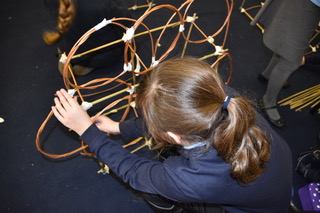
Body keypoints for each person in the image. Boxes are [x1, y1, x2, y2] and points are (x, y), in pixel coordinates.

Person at [51, 57, 293, 213]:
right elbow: (172, 121)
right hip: (274, 187)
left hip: (259, 208)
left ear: (174, 136)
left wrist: (89, 133)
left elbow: (135, 172)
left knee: (152, 189)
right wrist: (118, 128)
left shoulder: (190, 178)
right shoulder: (222, 98)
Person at [258, 0, 320, 127]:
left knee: (286, 44)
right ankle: (267, 102)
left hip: (310, 6)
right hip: (307, 5)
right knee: (291, 61)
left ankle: (268, 74)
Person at [43, 0, 131, 75]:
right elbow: (127, 20)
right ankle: (84, 64)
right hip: (101, 55)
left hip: (71, 45)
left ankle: (71, 59)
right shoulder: (103, 3)